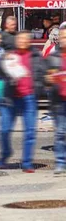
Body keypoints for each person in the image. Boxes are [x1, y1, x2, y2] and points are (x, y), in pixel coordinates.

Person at [0, 31, 46, 172]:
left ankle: (26, 162)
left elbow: (42, 74)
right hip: (10, 97)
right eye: (19, 39)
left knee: (30, 132)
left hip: (29, 97)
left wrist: (38, 89)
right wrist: (3, 63)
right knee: (5, 130)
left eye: (25, 39)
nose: (22, 42)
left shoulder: (36, 56)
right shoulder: (9, 55)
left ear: (29, 41)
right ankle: (5, 153)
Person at [46, 28, 66, 174]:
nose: (63, 38)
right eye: (62, 36)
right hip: (59, 100)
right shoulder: (54, 56)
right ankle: (60, 162)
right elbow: (47, 77)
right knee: (60, 132)